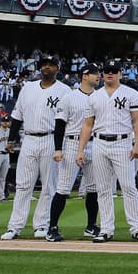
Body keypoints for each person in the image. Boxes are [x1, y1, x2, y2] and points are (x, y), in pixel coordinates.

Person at [75, 59, 138, 242]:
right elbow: (87, 124)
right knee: (103, 189)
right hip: (99, 142)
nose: (110, 73)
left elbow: (137, 120)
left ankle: (137, 228)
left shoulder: (130, 93)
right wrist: (80, 150)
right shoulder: (94, 96)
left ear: (120, 73)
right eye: (107, 70)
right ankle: (106, 229)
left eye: (114, 71)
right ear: (102, 73)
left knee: (128, 187)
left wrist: (137, 145)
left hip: (122, 141)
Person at [1, 56, 73, 240]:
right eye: (44, 65)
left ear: (58, 68)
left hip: (50, 138)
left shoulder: (65, 90)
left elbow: (63, 121)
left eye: (51, 65)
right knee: (23, 185)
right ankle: (14, 226)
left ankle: (41, 225)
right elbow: (17, 115)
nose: (46, 68)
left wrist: (59, 147)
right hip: (29, 138)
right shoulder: (28, 87)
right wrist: (11, 139)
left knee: (48, 185)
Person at [46, 63, 101, 242]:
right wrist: (57, 149)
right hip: (71, 143)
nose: (98, 76)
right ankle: (52, 227)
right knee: (63, 188)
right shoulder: (69, 97)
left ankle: (91, 226)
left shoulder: (101, 97)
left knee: (93, 189)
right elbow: (59, 124)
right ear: (85, 76)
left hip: (95, 144)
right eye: (95, 74)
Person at [0, 117, 10, 202]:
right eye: (4, 121)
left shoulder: (10, 131)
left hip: (6, 155)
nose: (5, 123)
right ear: (1, 122)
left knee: (3, 177)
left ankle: (1, 196)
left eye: (7, 121)